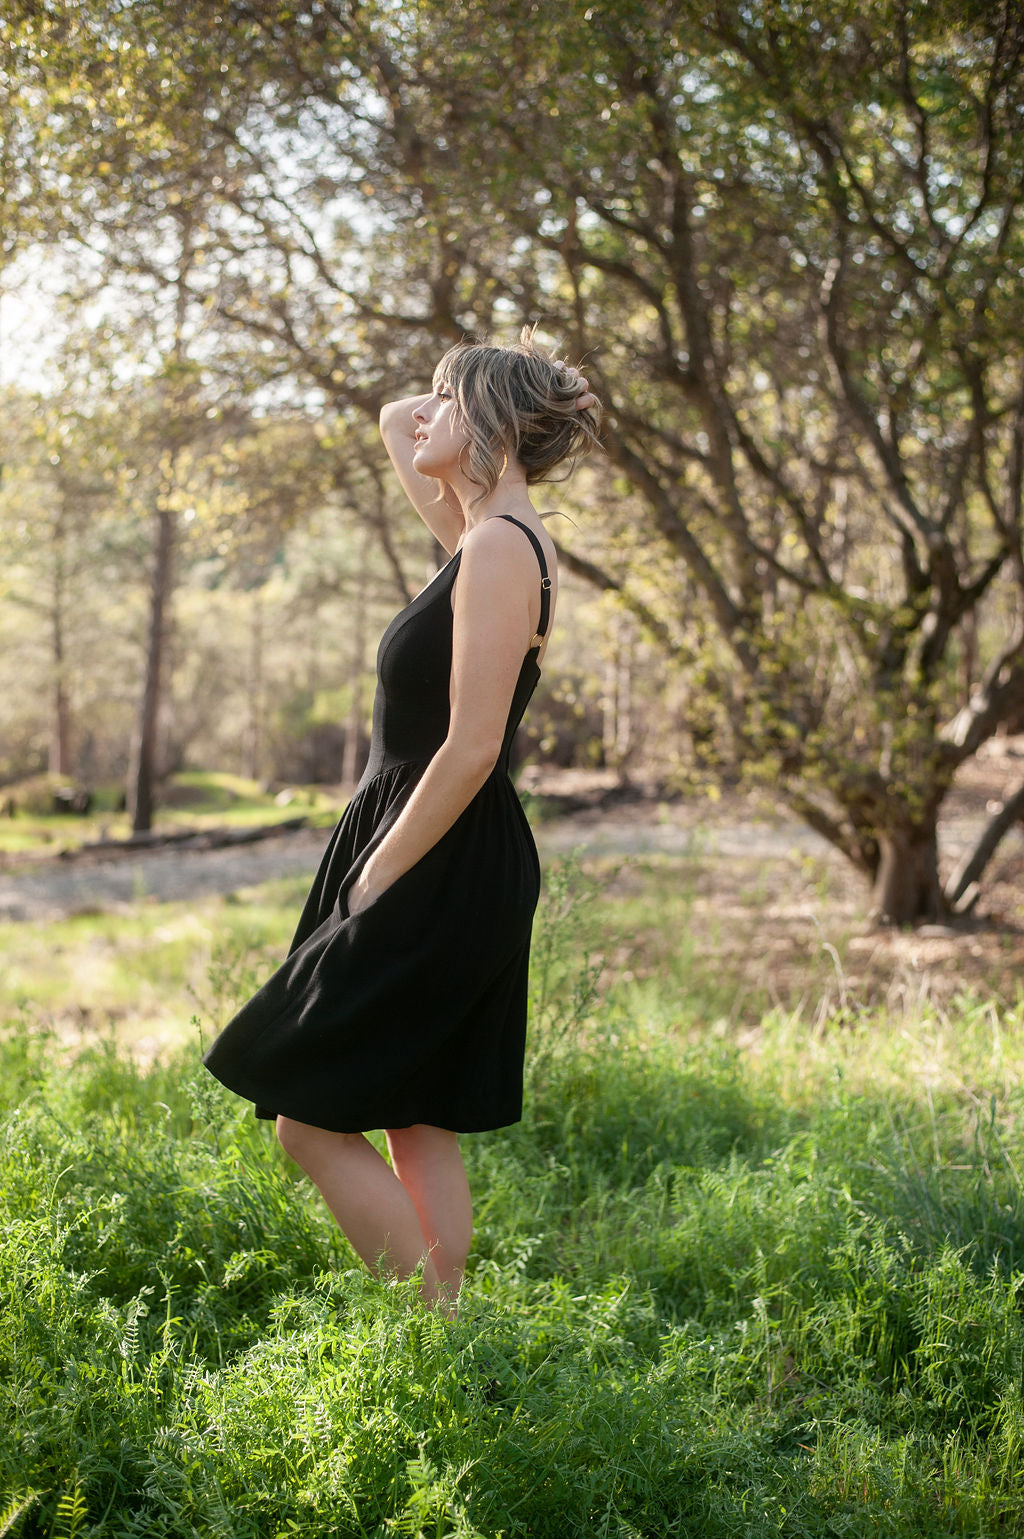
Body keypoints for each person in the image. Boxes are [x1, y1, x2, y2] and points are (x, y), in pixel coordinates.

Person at [202, 327, 601, 1311]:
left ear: (496, 429)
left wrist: (379, 871)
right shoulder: (480, 536)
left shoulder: (501, 548)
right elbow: (392, 422)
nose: (421, 414)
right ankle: (450, 1338)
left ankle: (428, 1323)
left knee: (304, 1116)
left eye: (447, 401)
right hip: (436, 844)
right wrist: (470, 393)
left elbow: (471, 746)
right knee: (417, 1115)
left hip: (435, 850)